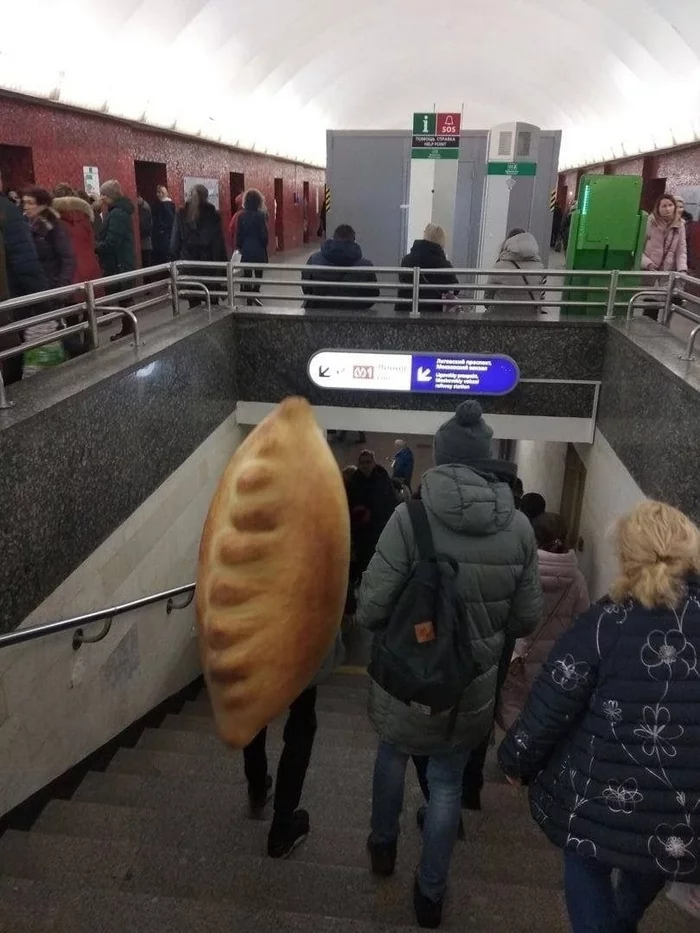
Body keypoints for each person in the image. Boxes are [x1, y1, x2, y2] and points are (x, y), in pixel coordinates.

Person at [358, 401, 542, 928]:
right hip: (469, 689)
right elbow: (527, 618)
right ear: (488, 461)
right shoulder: (520, 530)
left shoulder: (408, 517)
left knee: (393, 755)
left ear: (440, 457)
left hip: (408, 677)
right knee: (444, 784)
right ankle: (431, 895)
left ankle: (383, 846)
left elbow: (371, 608)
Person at [499, 500, 700, 933]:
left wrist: (515, 759)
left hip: (598, 798)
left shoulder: (604, 622)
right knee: (652, 859)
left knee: (586, 860)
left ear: (627, 555)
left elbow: (552, 704)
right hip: (683, 806)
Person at [243, 633, 345, 858]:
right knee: (302, 722)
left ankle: (257, 788)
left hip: (252, 638)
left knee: (254, 713)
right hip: (299, 639)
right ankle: (281, 829)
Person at [497, 512, 590, 731]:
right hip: (555, 661)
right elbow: (583, 624)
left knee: (512, 707)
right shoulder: (576, 579)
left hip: (517, 656)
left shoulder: (522, 571)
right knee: (543, 710)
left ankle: (516, 750)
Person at [0, 179, 47, 385]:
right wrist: (45, 300)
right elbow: (25, 260)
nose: (25, 206)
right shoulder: (8, 212)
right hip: (8, 301)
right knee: (11, 356)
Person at [53, 191, 102, 355]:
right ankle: (90, 343)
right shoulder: (86, 221)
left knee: (71, 315)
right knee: (90, 311)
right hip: (90, 269)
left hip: (72, 272)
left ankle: (76, 352)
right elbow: (92, 245)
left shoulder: (58, 224)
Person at [171, 184, 227, 308]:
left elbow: (175, 243)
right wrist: (222, 268)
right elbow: (219, 244)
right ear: (206, 197)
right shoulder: (214, 215)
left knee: (194, 302)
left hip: (189, 264)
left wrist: (176, 261)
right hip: (210, 266)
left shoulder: (181, 214)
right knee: (212, 303)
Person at [346, 449, 398, 579]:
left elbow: (391, 502)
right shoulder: (354, 482)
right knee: (364, 564)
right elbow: (348, 504)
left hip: (380, 529)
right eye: (362, 462)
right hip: (362, 533)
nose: (365, 465)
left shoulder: (382, 479)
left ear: (374, 463)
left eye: (368, 462)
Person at [301, 224, 379, 311]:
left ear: (333, 238)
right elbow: (373, 294)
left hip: (319, 309)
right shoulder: (365, 265)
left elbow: (306, 288)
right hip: (356, 312)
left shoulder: (314, 259)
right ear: (354, 241)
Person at [95, 180, 137, 340]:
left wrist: (96, 246)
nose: (101, 198)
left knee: (125, 299)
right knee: (125, 299)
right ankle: (128, 329)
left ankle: (128, 330)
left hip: (119, 263)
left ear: (107, 196)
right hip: (123, 261)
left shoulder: (117, 214)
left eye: (102, 195)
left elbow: (112, 242)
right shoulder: (120, 211)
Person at [641, 194, 687, 320]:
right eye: (664, 206)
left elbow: (681, 250)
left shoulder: (680, 225)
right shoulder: (650, 222)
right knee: (651, 304)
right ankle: (648, 326)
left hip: (668, 272)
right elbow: (639, 247)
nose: (668, 209)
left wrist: (682, 269)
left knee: (667, 305)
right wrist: (647, 263)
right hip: (652, 271)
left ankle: (662, 328)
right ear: (658, 208)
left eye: (670, 205)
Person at [22, 187, 76, 290]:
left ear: (43, 205)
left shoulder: (53, 227)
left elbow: (67, 258)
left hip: (50, 285)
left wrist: (61, 285)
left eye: (30, 203)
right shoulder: (23, 226)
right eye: (24, 203)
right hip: (31, 285)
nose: (26, 207)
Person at [396, 224, 459, 312]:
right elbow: (455, 288)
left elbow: (402, 278)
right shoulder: (443, 264)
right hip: (433, 312)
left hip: (405, 309)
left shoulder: (407, 259)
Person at [484, 229, 545, 317]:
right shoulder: (540, 267)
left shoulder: (499, 267)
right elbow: (541, 298)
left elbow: (487, 299)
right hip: (531, 318)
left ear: (509, 243)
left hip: (500, 318)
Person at [236, 188, 268, 306]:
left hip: (246, 249)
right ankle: (256, 291)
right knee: (259, 273)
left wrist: (240, 246)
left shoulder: (241, 216)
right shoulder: (260, 216)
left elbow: (239, 235)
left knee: (247, 273)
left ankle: (249, 298)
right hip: (259, 248)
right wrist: (264, 244)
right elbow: (264, 234)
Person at [151, 185, 176, 264]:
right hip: (169, 238)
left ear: (163, 193)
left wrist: (160, 229)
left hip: (163, 239)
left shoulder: (163, 205)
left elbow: (167, 221)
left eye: (159, 192)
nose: (157, 194)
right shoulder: (170, 205)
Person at [137, 195, 153, 267]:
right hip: (145, 243)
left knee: (146, 263)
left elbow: (145, 226)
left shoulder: (144, 208)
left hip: (145, 243)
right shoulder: (144, 206)